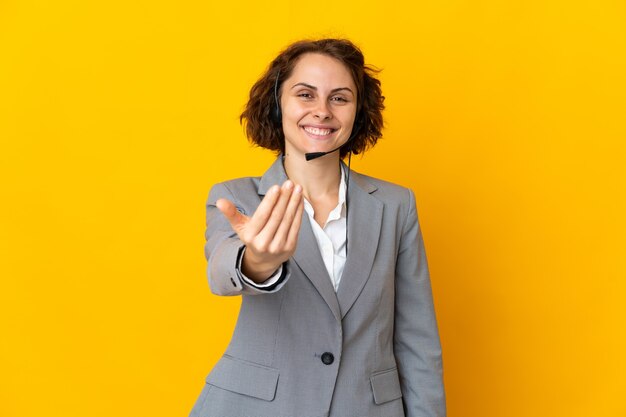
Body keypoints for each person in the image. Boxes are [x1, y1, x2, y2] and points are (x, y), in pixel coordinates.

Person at [190, 38, 446, 417]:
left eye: (339, 98)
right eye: (305, 94)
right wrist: (258, 261)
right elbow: (223, 269)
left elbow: (417, 338)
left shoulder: (396, 205)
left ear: (358, 113)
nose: (322, 111)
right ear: (278, 104)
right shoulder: (236, 196)